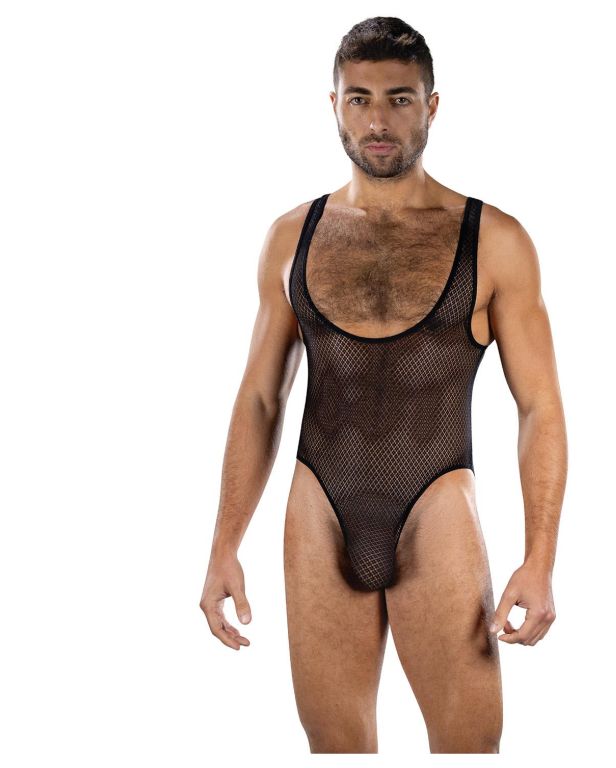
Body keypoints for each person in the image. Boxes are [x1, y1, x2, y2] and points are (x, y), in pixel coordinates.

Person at [199, 16, 567, 754]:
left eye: (399, 99)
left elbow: (539, 407)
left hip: (437, 507)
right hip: (318, 510)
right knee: (335, 747)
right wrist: (223, 544)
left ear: (431, 106)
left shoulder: (495, 240)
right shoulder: (291, 236)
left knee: (469, 745)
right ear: (333, 104)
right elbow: (262, 398)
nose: (377, 120)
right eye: (359, 98)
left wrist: (540, 560)